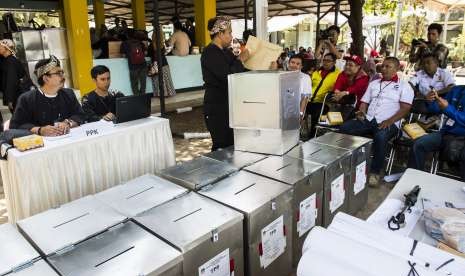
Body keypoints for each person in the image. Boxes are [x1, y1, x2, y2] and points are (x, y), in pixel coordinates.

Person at [339, 57, 414, 187]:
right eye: (382, 66)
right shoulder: (374, 83)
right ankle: (346, 163)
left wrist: (390, 121)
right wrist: (361, 112)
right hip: (369, 119)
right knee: (345, 127)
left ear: (396, 69)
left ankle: (374, 172)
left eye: (388, 66)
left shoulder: (404, 86)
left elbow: (405, 108)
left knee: (381, 136)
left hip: (390, 123)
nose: (383, 69)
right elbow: (364, 102)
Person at [201, 16, 249, 151]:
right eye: (229, 32)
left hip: (228, 106)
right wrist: (240, 60)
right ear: (220, 34)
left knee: (231, 144)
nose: (231, 36)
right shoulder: (210, 52)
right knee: (221, 145)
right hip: (217, 107)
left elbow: (239, 69)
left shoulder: (225, 52)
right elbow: (228, 76)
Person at [10, 55, 85, 136]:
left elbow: (80, 115)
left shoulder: (68, 94)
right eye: (58, 73)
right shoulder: (27, 99)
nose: (63, 76)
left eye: (62, 72)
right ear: (46, 78)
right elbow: (16, 125)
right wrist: (40, 130)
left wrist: (68, 123)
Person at [408, 85, 465, 181]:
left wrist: (448, 109)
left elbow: (450, 111)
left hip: (462, 138)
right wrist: (430, 101)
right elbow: (437, 109)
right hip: (447, 133)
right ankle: (415, 181)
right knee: (419, 144)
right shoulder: (457, 90)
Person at [306, 53, 341, 138]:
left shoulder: (338, 74)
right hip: (309, 101)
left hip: (324, 103)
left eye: (328, 61)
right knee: (297, 111)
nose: (325, 62)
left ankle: (312, 137)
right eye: (324, 60)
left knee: (317, 114)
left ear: (334, 62)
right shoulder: (317, 72)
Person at [0, 39, 33, 113]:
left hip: (18, 96)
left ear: (7, 48)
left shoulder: (10, 62)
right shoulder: (9, 60)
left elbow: (11, 81)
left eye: (0, 46)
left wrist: (10, 99)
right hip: (19, 95)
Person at [148, 31, 176, 97]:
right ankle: (167, 94)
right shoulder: (162, 44)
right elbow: (162, 53)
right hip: (164, 64)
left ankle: (160, 95)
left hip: (156, 66)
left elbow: (150, 54)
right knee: (166, 81)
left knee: (157, 81)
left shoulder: (151, 45)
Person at [120, 30, 148, 95]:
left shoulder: (124, 43)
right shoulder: (140, 43)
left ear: (127, 35)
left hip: (133, 66)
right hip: (143, 65)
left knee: (134, 83)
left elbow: (123, 55)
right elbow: (146, 53)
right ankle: (142, 96)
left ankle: (137, 98)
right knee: (143, 83)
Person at [287, 54, 311, 120]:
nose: (294, 65)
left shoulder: (305, 78)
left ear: (301, 66)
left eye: (298, 64)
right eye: (292, 62)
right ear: (288, 63)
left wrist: (300, 113)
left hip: (296, 110)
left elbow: (305, 98)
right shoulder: (282, 76)